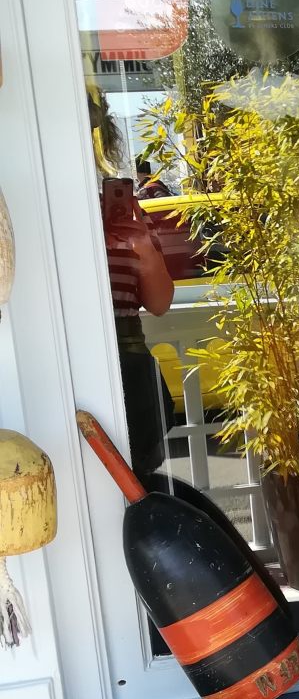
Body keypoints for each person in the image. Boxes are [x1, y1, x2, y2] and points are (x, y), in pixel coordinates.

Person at [101, 176, 176, 480]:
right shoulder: (47, 214)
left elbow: (159, 304)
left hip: (128, 361)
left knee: (135, 476)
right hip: (66, 360)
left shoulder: (131, 214)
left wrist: (144, 249)